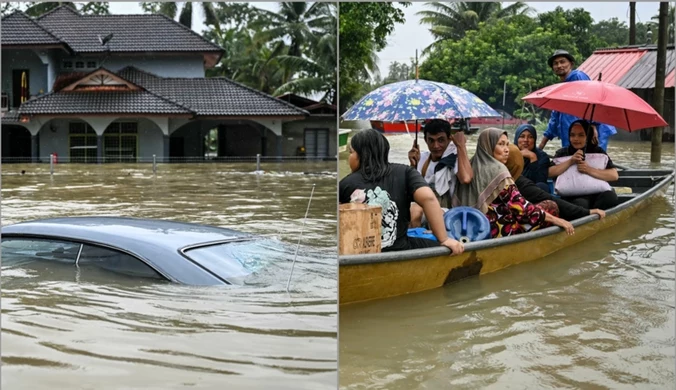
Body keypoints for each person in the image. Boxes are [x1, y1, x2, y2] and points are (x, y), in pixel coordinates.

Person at [339, 129, 464, 254]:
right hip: (400, 247)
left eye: (351, 153)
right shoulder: (405, 172)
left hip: (359, 252)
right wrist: (444, 239)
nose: (349, 158)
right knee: (441, 248)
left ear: (361, 155)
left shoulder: (345, 183)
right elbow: (428, 199)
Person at [453, 128, 574, 238]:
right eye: (500, 144)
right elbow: (522, 208)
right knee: (550, 206)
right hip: (496, 231)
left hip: (469, 227)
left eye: (507, 144)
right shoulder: (498, 169)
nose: (507, 150)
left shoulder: (471, 165)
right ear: (488, 146)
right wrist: (558, 221)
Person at [504, 143, 606, 221]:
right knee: (551, 205)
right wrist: (559, 221)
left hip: (534, 193)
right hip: (507, 221)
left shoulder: (540, 157)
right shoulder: (516, 182)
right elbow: (538, 200)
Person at [539, 49, 617, 151]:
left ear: (571, 64)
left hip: (592, 131)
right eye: (555, 63)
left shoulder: (577, 76)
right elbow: (555, 118)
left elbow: (591, 100)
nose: (559, 66)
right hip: (571, 134)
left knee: (594, 159)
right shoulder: (560, 88)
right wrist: (541, 146)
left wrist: (593, 125)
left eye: (562, 62)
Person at [407, 119, 473, 227]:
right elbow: (411, 189)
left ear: (449, 139)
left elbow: (466, 178)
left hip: (447, 210)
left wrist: (461, 146)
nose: (436, 146)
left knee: (428, 213)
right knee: (412, 211)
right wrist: (412, 165)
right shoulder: (422, 158)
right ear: (425, 140)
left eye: (441, 140)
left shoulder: (454, 158)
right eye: (431, 140)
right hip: (422, 206)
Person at [548, 120, 619, 210]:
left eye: (581, 135)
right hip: (573, 196)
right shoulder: (563, 153)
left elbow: (614, 175)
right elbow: (549, 173)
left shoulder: (598, 152)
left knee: (611, 197)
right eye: (572, 135)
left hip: (597, 195)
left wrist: (588, 169)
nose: (576, 139)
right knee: (581, 204)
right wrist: (571, 161)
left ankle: (595, 217)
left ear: (588, 136)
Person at [514, 124, 550, 193]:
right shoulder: (510, 154)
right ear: (516, 139)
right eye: (522, 136)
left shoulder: (542, 156)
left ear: (534, 140)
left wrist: (533, 158)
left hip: (532, 193)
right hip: (514, 191)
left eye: (530, 137)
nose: (526, 140)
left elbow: (540, 181)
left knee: (542, 186)